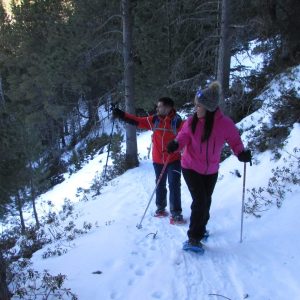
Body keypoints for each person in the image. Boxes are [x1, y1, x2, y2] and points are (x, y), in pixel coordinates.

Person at [167, 81, 252, 250]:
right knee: (200, 200)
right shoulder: (191, 122)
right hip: (190, 166)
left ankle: (201, 227)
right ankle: (194, 238)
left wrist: (241, 153)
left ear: (209, 107)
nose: (196, 108)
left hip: (211, 169)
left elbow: (235, 141)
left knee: (206, 200)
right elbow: (183, 137)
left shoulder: (224, 124)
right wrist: (176, 144)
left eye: (199, 106)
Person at [113, 97, 184, 223]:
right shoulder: (154, 120)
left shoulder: (177, 122)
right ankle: (161, 208)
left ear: (168, 107)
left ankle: (176, 214)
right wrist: (122, 115)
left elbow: (186, 136)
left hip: (173, 159)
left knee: (174, 185)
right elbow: (137, 121)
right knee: (160, 184)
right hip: (158, 159)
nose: (157, 108)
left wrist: (177, 146)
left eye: (159, 106)